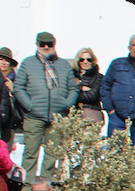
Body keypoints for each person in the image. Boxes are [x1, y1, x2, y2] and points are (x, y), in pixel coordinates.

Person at [14, 32, 77, 179]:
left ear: (55, 45)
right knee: (30, 154)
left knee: (52, 154)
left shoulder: (63, 65)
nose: (46, 47)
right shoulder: (28, 63)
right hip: (34, 116)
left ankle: (46, 187)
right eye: (43, 44)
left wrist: (66, 104)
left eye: (50, 44)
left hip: (57, 116)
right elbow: (18, 88)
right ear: (37, 45)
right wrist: (29, 106)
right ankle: (27, 190)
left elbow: (73, 88)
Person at [72, 48, 103, 126]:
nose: (85, 62)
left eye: (88, 59)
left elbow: (92, 96)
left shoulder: (99, 77)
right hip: (73, 115)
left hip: (92, 114)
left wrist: (75, 90)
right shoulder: (70, 76)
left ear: (93, 61)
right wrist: (80, 88)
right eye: (82, 59)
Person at [0, 46, 19, 148]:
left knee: (5, 153)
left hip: (10, 122)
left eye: (7, 60)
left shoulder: (16, 79)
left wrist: (13, 89)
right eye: (1, 59)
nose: (3, 63)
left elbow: (20, 101)